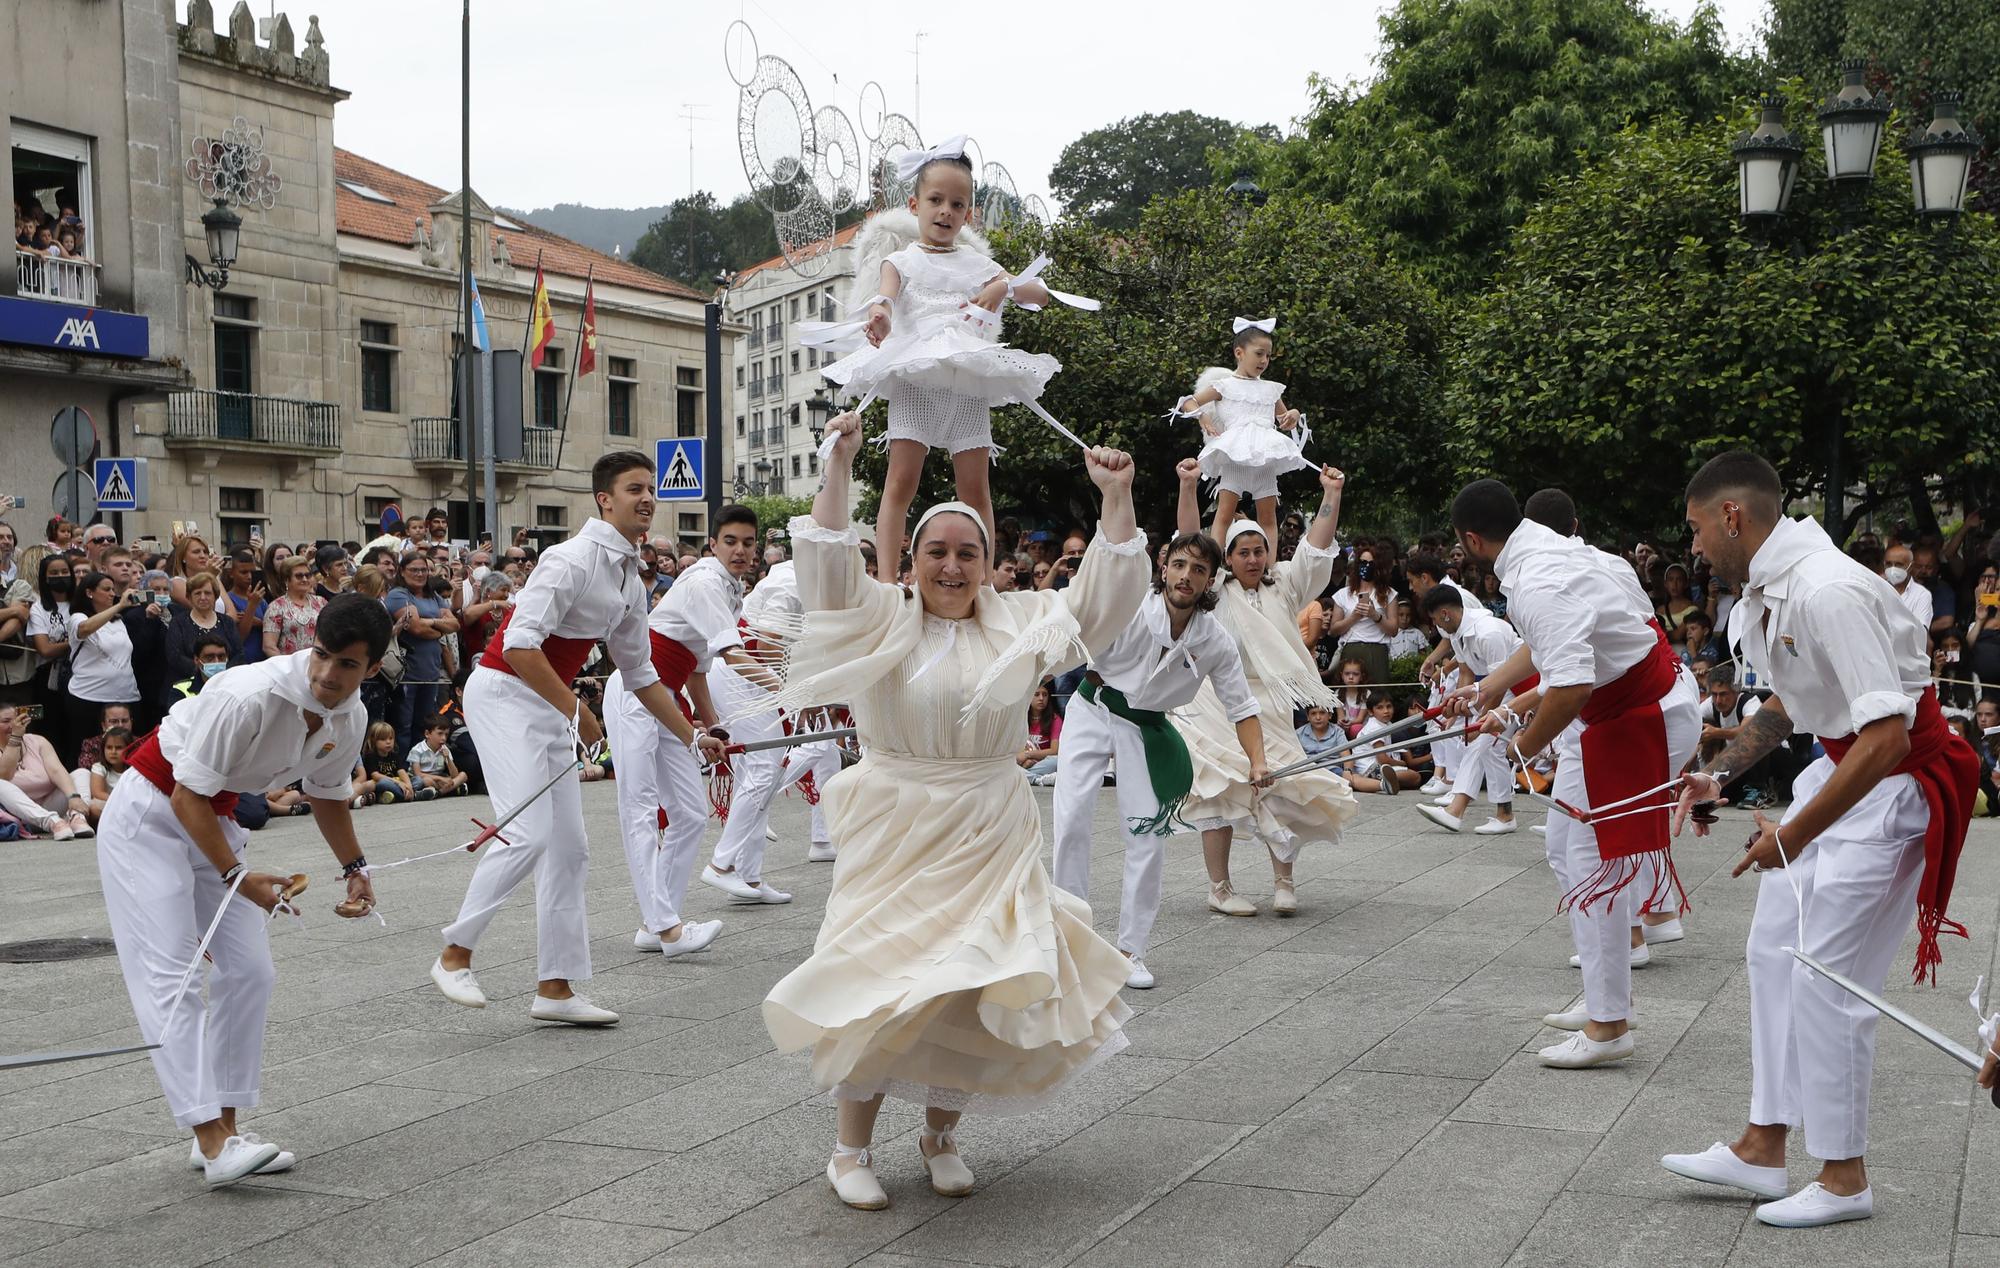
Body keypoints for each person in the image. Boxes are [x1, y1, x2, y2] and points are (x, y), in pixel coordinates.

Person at [761, 409, 1144, 1212]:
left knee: (971, 979)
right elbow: (826, 565)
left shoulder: (1024, 623)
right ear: (911, 559)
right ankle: (849, 1149)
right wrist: (837, 466)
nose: (951, 565)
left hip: (988, 821)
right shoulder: (878, 614)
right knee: (880, 977)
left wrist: (1117, 498)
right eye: (936, 550)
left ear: (989, 562)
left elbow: (1103, 604)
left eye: (967, 552)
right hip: (894, 819)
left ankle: (941, 1134)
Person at [1663, 452, 1979, 1229]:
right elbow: (1789, 703)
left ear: (1733, 516)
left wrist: (1795, 836)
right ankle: (1763, 1146)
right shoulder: (1775, 589)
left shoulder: (1827, 588)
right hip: (1845, 775)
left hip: (1892, 790)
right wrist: (1724, 772)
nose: (1694, 546)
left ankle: (1845, 1177)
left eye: (1698, 528)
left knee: (1827, 978)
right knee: (1774, 951)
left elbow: (1887, 739)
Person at [94, 595, 388, 1186]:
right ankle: (209, 1136)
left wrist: (355, 864)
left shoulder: (350, 716)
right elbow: (185, 795)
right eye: (323, 656)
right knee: (171, 975)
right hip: (150, 811)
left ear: (373, 668)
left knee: (250, 971)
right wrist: (237, 876)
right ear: (309, 646)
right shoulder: (247, 693)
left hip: (215, 818)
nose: (329, 674)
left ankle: (225, 1134)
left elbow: (328, 793)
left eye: (348, 665)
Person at [432, 451, 721, 1027]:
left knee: (570, 848)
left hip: (546, 703)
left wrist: (694, 737)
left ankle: (555, 988)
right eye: (634, 489)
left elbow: (642, 676)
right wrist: (578, 711)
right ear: (604, 500)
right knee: (528, 832)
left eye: (651, 491)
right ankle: (454, 953)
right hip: (503, 694)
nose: (647, 500)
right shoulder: (569, 560)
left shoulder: (631, 578)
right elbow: (517, 645)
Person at [1454, 478, 1699, 1070]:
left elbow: (1572, 685)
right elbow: (1551, 646)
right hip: (1635, 712)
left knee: (1593, 865)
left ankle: (1609, 1023)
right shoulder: (1566, 553)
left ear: (1470, 539)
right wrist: (1497, 693)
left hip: (1639, 720)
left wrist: (1520, 749)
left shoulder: (1536, 580)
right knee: (1567, 848)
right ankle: (1602, 998)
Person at [805, 139, 1066, 558]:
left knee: (976, 491)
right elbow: (885, 297)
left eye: (957, 204)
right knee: (900, 484)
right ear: (915, 204)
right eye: (936, 199)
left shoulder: (978, 265)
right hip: (917, 376)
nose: (946, 210)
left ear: (968, 214)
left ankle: (983, 588)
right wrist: (882, 316)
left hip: (967, 380)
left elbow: (1039, 295)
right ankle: (889, 579)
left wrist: (1003, 284)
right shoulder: (901, 260)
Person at [1051, 527, 1268, 989]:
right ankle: (1070, 939)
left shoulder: (1215, 640)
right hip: (1093, 707)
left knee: (1147, 838)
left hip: (1146, 728)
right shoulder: (1127, 609)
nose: (1187, 576)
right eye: (1180, 565)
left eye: (1199, 570)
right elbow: (1073, 627)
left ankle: (1132, 950)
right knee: (1071, 819)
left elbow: (1242, 707)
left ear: (1210, 581)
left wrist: (1258, 761)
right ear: (1164, 567)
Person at [1173, 457, 1357, 917]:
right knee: (1219, 791)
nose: (1253, 558)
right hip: (1216, 701)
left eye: (1259, 550)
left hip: (1271, 703)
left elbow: (1317, 546)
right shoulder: (1213, 591)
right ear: (1227, 560)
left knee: (1283, 787)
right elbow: (1190, 542)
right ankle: (1219, 888)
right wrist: (1189, 486)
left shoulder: (1285, 586)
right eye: (1243, 552)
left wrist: (1331, 495)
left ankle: (1283, 882)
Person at [678, 507, 796, 906]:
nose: (741, 551)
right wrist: (792, 691)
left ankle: (746, 873)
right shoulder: (717, 581)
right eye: (730, 542)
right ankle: (723, 865)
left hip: (707, 675)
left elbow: (701, 663)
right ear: (712, 545)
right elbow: (744, 651)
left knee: (764, 766)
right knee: (764, 764)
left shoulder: (732, 584)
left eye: (748, 543)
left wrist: (711, 721)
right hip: (658, 685)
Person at [740, 550, 842, 862]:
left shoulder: (820, 581)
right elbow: (766, 644)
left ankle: (823, 839)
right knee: (808, 747)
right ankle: (755, 808)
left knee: (826, 753)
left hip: (772, 666)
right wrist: (796, 692)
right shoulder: (790, 582)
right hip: (747, 666)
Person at [1177, 318, 1311, 545]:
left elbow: (1283, 421)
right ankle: (1216, 567)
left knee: (1267, 517)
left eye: (1268, 355)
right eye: (1259, 354)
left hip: (1264, 460)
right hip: (1235, 457)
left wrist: (1294, 415)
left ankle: (1268, 571)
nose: (1264, 360)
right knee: (1224, 515)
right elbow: (1187, 402)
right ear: (1239, 353)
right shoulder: (1225, 385)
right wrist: (1203, 416)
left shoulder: (1271, 389)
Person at [1416, 585, 1522, 834]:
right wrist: (1454, 711)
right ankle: (1504, 815)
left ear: (1444, 614)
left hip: (1520, 686)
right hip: (1495, 686)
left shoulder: (1488, 632)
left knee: (1482, 742)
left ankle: (1457, 809)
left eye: (1434, 620)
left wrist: (1482, 718)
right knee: (1490, 749)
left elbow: (1501, 683)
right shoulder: (1458, 634)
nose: (1436, 627)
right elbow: (1466, 673)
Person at [65, 571, 145, 768]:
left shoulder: (119, 621)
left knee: (127, 750)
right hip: (88, 698)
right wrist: (120, 605)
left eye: (113, 590)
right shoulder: (77, 617)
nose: (112, 594)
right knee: (88, 753)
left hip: (125, 696)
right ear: (89, 592)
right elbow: (84, 629)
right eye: (106, 589)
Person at [384, 554, 459, 756]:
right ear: (402, 571)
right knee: (403, 725)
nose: (420, 574)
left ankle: (421, 767)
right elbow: (416, 628)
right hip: (406, 673)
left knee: (424, 725)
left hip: (430, 672)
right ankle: (402, 767)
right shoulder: (399, 594)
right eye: (414, 570)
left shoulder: (435, 597)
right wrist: (439, 625)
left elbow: (455, 624)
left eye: (423, 570)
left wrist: (430, 622)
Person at [0, 702, 94, 838]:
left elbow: (57, 771)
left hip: (51, 804)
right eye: (6, 721)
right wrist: (16, 737)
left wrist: (73, 797)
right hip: (22, 815)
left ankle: (77, 818)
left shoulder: (38, 741)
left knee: (81, 773)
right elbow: (5, 775)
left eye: (16, 719)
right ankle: (53, 822)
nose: (13, 725)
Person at [1323, 543, 1401, 687]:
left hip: (1377, 651)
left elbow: (1393, 630)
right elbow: (1333, 630)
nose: (1367, 566)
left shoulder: (1389, 594)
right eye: (1363, 563)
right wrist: (1354, 617)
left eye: (1371, 563)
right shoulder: (1343, 594)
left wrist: (1375, 615)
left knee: (1377, 698)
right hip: (1351, 649)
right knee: (1350, 698)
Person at [162, 572, 242, 711]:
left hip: (225, 687)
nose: (203, 597)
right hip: (189, 690)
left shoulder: (227, 622)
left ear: (216, 596)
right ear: (189, 597)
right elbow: (174, 656)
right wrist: (203, 674)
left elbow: (239, 653)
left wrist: (221, 674)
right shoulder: (178, 622)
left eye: (208, 593)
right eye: (197, 593)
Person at [260, 558, 325, 658]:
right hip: (289, 667)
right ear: (286, 579)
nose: (304, 579)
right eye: (299, 576)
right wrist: (287, 667)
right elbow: (269, 646)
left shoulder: (321, 602)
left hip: (318, 664)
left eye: (307, 575)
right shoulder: (276, 607)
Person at [406, 715, 468, 796]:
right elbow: (418, 774)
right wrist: (441, 779)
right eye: (440, 734)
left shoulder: (444, 749)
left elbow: (454, 775)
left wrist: (448, 759)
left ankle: (438, 792)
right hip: (423, 778)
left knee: (463, 775)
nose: (444, 738)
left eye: (446, 734)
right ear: (427, 734)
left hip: (439, 778)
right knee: (427, 781)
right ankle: (449, 790)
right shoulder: (417, 750)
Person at [1881, 543, 1933, 630]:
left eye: (1899, 564)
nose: (1893, 569)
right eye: (1888, 564)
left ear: (1911, 566)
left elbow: (1919, 631)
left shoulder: (1921, 595)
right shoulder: (1876, 588)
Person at [1019, 677, 1062, 781]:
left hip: (1042, 763)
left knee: (1056, 762)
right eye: (1036, 694)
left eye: (1045, 695)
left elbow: (1055, 751)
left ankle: (1026, 777)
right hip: (1023, 762)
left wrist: (1028, 755)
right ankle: (1038, 779)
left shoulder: (1055, 719)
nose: (1041, 698)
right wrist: (1024, 760)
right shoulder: (1020, 718)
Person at [87, 725, 132, 819]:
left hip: (130, 805)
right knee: (94, 807)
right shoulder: (99, 767)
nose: (113, 752)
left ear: (129, 748)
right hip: (109, 804)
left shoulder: (134, 769)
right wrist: (119, 801)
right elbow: (98, 793)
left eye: (119, 747)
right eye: (109, 747)